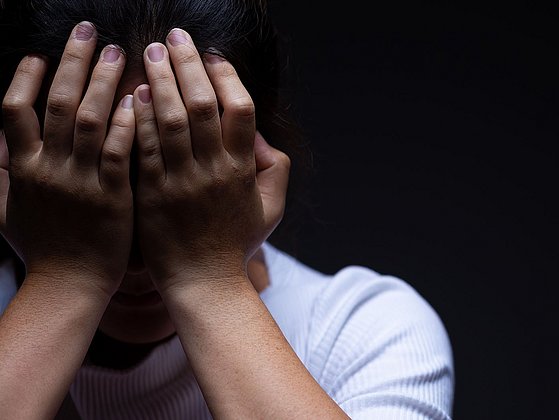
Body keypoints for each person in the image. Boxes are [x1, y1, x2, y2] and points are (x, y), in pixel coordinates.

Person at [0, 0, 454, 418]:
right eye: (87, 176)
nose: (137, 257)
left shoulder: (360, 332)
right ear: (11, 166)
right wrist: (65, 278)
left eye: (183, 170)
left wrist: (208, 277)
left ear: (258, 158)